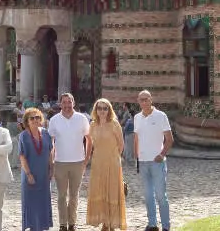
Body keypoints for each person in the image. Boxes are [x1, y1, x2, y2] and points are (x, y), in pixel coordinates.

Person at [48, 93, 91, 231]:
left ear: (73, 103)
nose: (67, 105)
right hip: (60, 162)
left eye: (69, 102)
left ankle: (72, 223)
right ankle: (62, 223)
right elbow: (51, 142)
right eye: (64, 102)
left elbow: (89, 139)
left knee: (74, 195)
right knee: (61, 195)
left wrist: (87, 158)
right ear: (60, 104)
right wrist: (51, 161)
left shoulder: (82, 118)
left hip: (78, 162)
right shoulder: (54, 120)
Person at [134, 90, 172, 231]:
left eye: (146, 99)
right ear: (138, 101)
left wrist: (162, 154)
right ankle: (152, 224)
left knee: (161, 195)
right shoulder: (137, 117)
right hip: (143, 162)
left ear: (151, 100)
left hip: (157, 163)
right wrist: (136, 158)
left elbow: (169, 139)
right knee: (148, 195)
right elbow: (136, 138)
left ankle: (166, 226)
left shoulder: (161, 116)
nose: (144, 102)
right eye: (141, 100)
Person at [85, 98, 127, 231]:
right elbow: (90, 143)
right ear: (95, 110)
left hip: (112, 163)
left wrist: (114, 158)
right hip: (98, 163)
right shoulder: (92, 125)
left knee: (112, 191)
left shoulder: (114, 124)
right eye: (99, 108)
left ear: (109, 110)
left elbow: (121, 145)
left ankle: (112, 223)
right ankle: (104, 221)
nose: (102, 111)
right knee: (100, 190)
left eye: (105, 108)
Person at [19, 107, 54, 231]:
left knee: (43, 203)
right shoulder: (23, 135)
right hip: (30, 175)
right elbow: (22, 156)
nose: (35, 120)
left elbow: (50, 152)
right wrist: (28, 174)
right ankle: (33, 227)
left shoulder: (45, 133)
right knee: (31, 204)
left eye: (37, 117)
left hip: (44, 175)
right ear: (27, 121)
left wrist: (51, 169)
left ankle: (42, 227)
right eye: (32, 118)